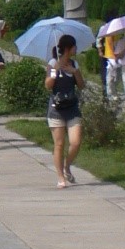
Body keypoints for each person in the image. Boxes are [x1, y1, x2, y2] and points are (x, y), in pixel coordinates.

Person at [45, 33, 86, 187]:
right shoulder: (53, 62)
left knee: (75, 142)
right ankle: (60, 176)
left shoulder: (74, 64)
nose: (76, 49)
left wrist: (74, 72)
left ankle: (67, 165)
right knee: (59, 144)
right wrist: (56, 71)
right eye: (74, 46)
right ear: (68, 48)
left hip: (72, 107)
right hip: (56, 108)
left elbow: (81, 85)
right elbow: (48, 85)